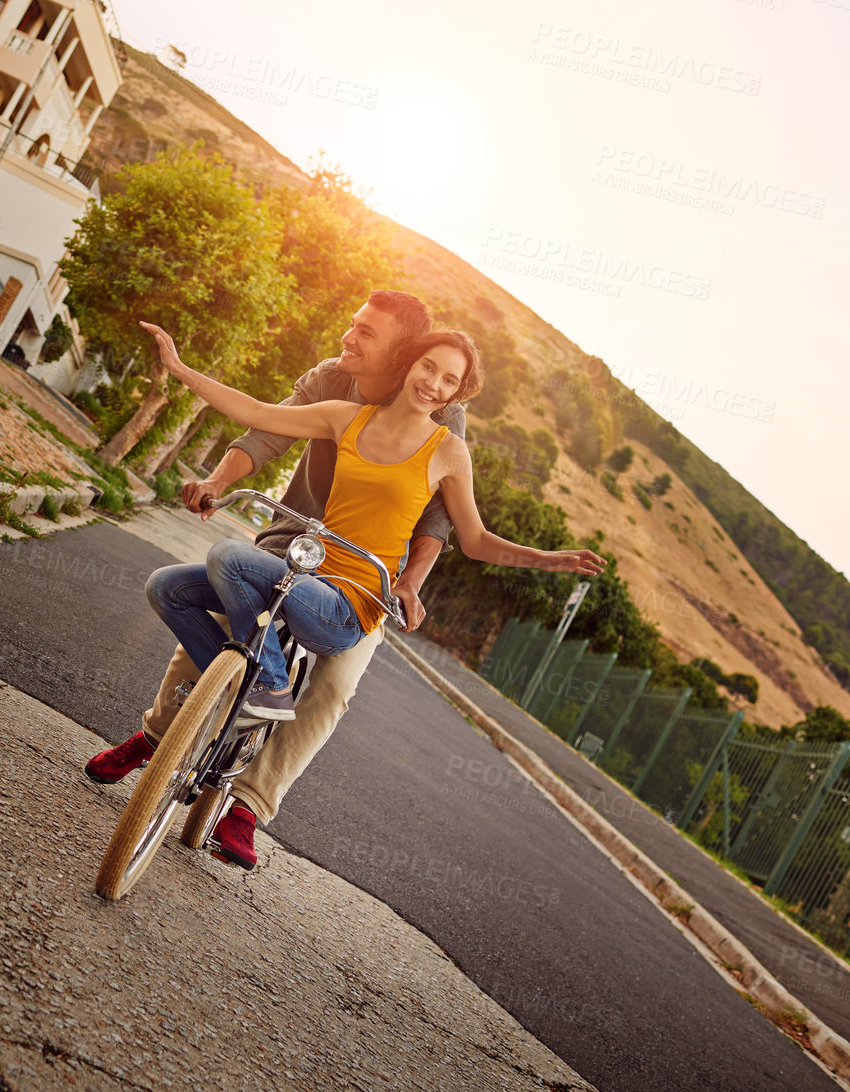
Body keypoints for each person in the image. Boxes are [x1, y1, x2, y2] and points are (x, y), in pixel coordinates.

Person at [116, 320, 604, 869]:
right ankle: (228, 695)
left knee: (233, 563)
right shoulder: (346, 414)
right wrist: (181, 371)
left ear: (457, 393)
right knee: (168, 587)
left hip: (351, 599)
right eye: (428, 367)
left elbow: (474, 538)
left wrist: (548, 560)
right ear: (408, 364)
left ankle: (257, 750)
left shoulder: (449, 449)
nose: (434, 385)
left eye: (449, 380)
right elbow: (258, 415)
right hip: (299, 565)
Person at [85, 290, 455, 867]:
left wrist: (410, 581)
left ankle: (249, 806)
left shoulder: (439, 411)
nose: (347, 337)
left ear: (403, 353)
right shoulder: (330, 380)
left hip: (363, 577)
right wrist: (217, 478)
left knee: (334, 688)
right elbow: (264, 433)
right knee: (216, 620)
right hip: (296, 544)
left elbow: (438, 515)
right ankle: (160, 740)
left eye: (364, 332)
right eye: (351, 324)